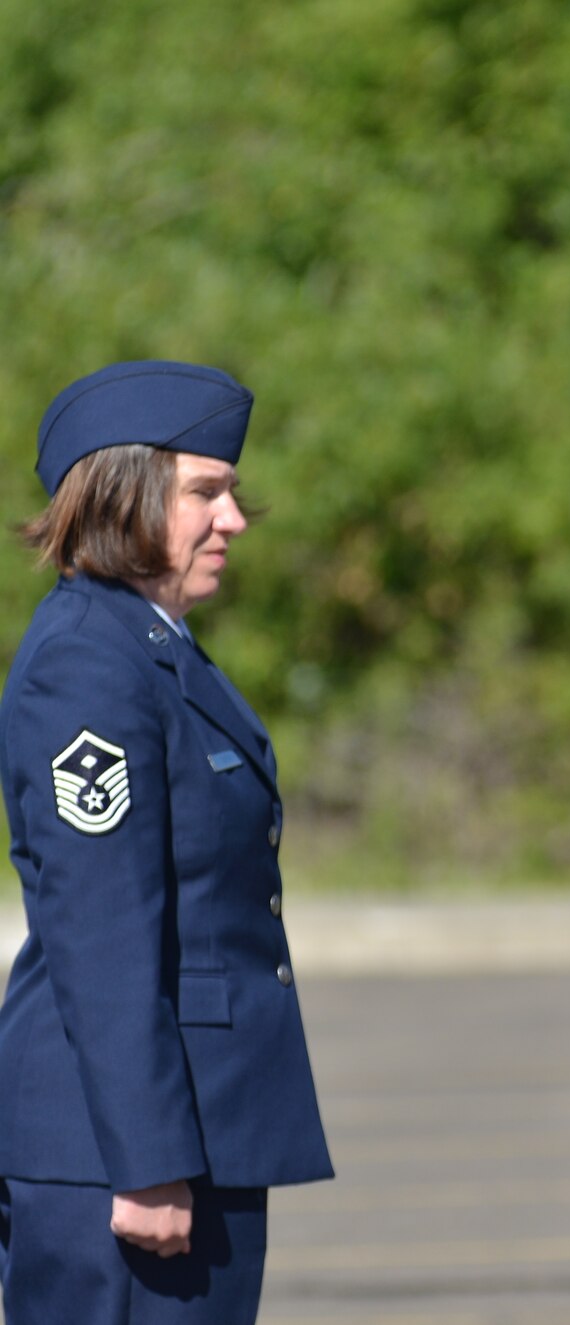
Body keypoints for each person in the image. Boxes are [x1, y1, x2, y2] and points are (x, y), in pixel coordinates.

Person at [0, 361, 333, 1323]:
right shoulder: (88, 665)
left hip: (192, 1134)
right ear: (123, 492)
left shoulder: (147, 644)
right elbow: (101, 930)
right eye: (204, 491)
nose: (234, 517)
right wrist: (147, 1164)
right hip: (123, 1157)